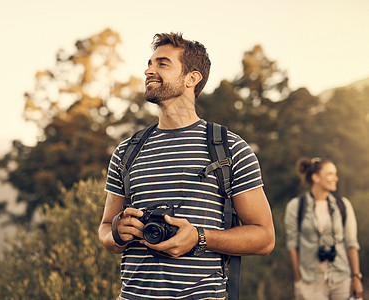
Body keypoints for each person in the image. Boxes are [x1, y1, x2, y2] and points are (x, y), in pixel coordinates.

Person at [98, 32, 275, 300]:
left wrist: (200, 237)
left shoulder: (230, 149)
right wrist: (117, 232)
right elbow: (105, 230)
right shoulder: (126, 151)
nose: (149, 71)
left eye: (162, 64)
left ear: (192, 78)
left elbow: (265, 238)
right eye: (150, 63)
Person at [284, 157, 363, 300]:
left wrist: (356, 277)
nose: (336, 178)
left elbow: (351, 243)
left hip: (341, 278)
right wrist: (298, 280)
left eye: (336, 174)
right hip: (310, 281)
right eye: (330, 174)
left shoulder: (343, 205)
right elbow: (292, 245)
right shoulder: (296, 206)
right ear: (316, 178)